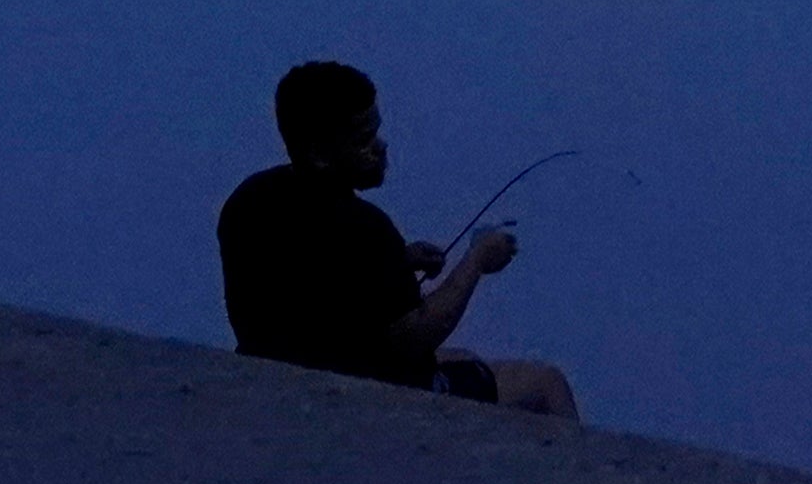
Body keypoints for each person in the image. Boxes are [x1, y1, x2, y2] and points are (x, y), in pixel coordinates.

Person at [215, 60, 577, 418]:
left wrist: (399, 261)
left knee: (467, 359)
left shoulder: (248, 202)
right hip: (364, 395)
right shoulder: (364, 226)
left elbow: (316, 282)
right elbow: (414, 337)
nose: (381, 146)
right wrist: (477, 260)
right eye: (363, 140)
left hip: (275, 373)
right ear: (319, 154)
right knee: (545, 384)